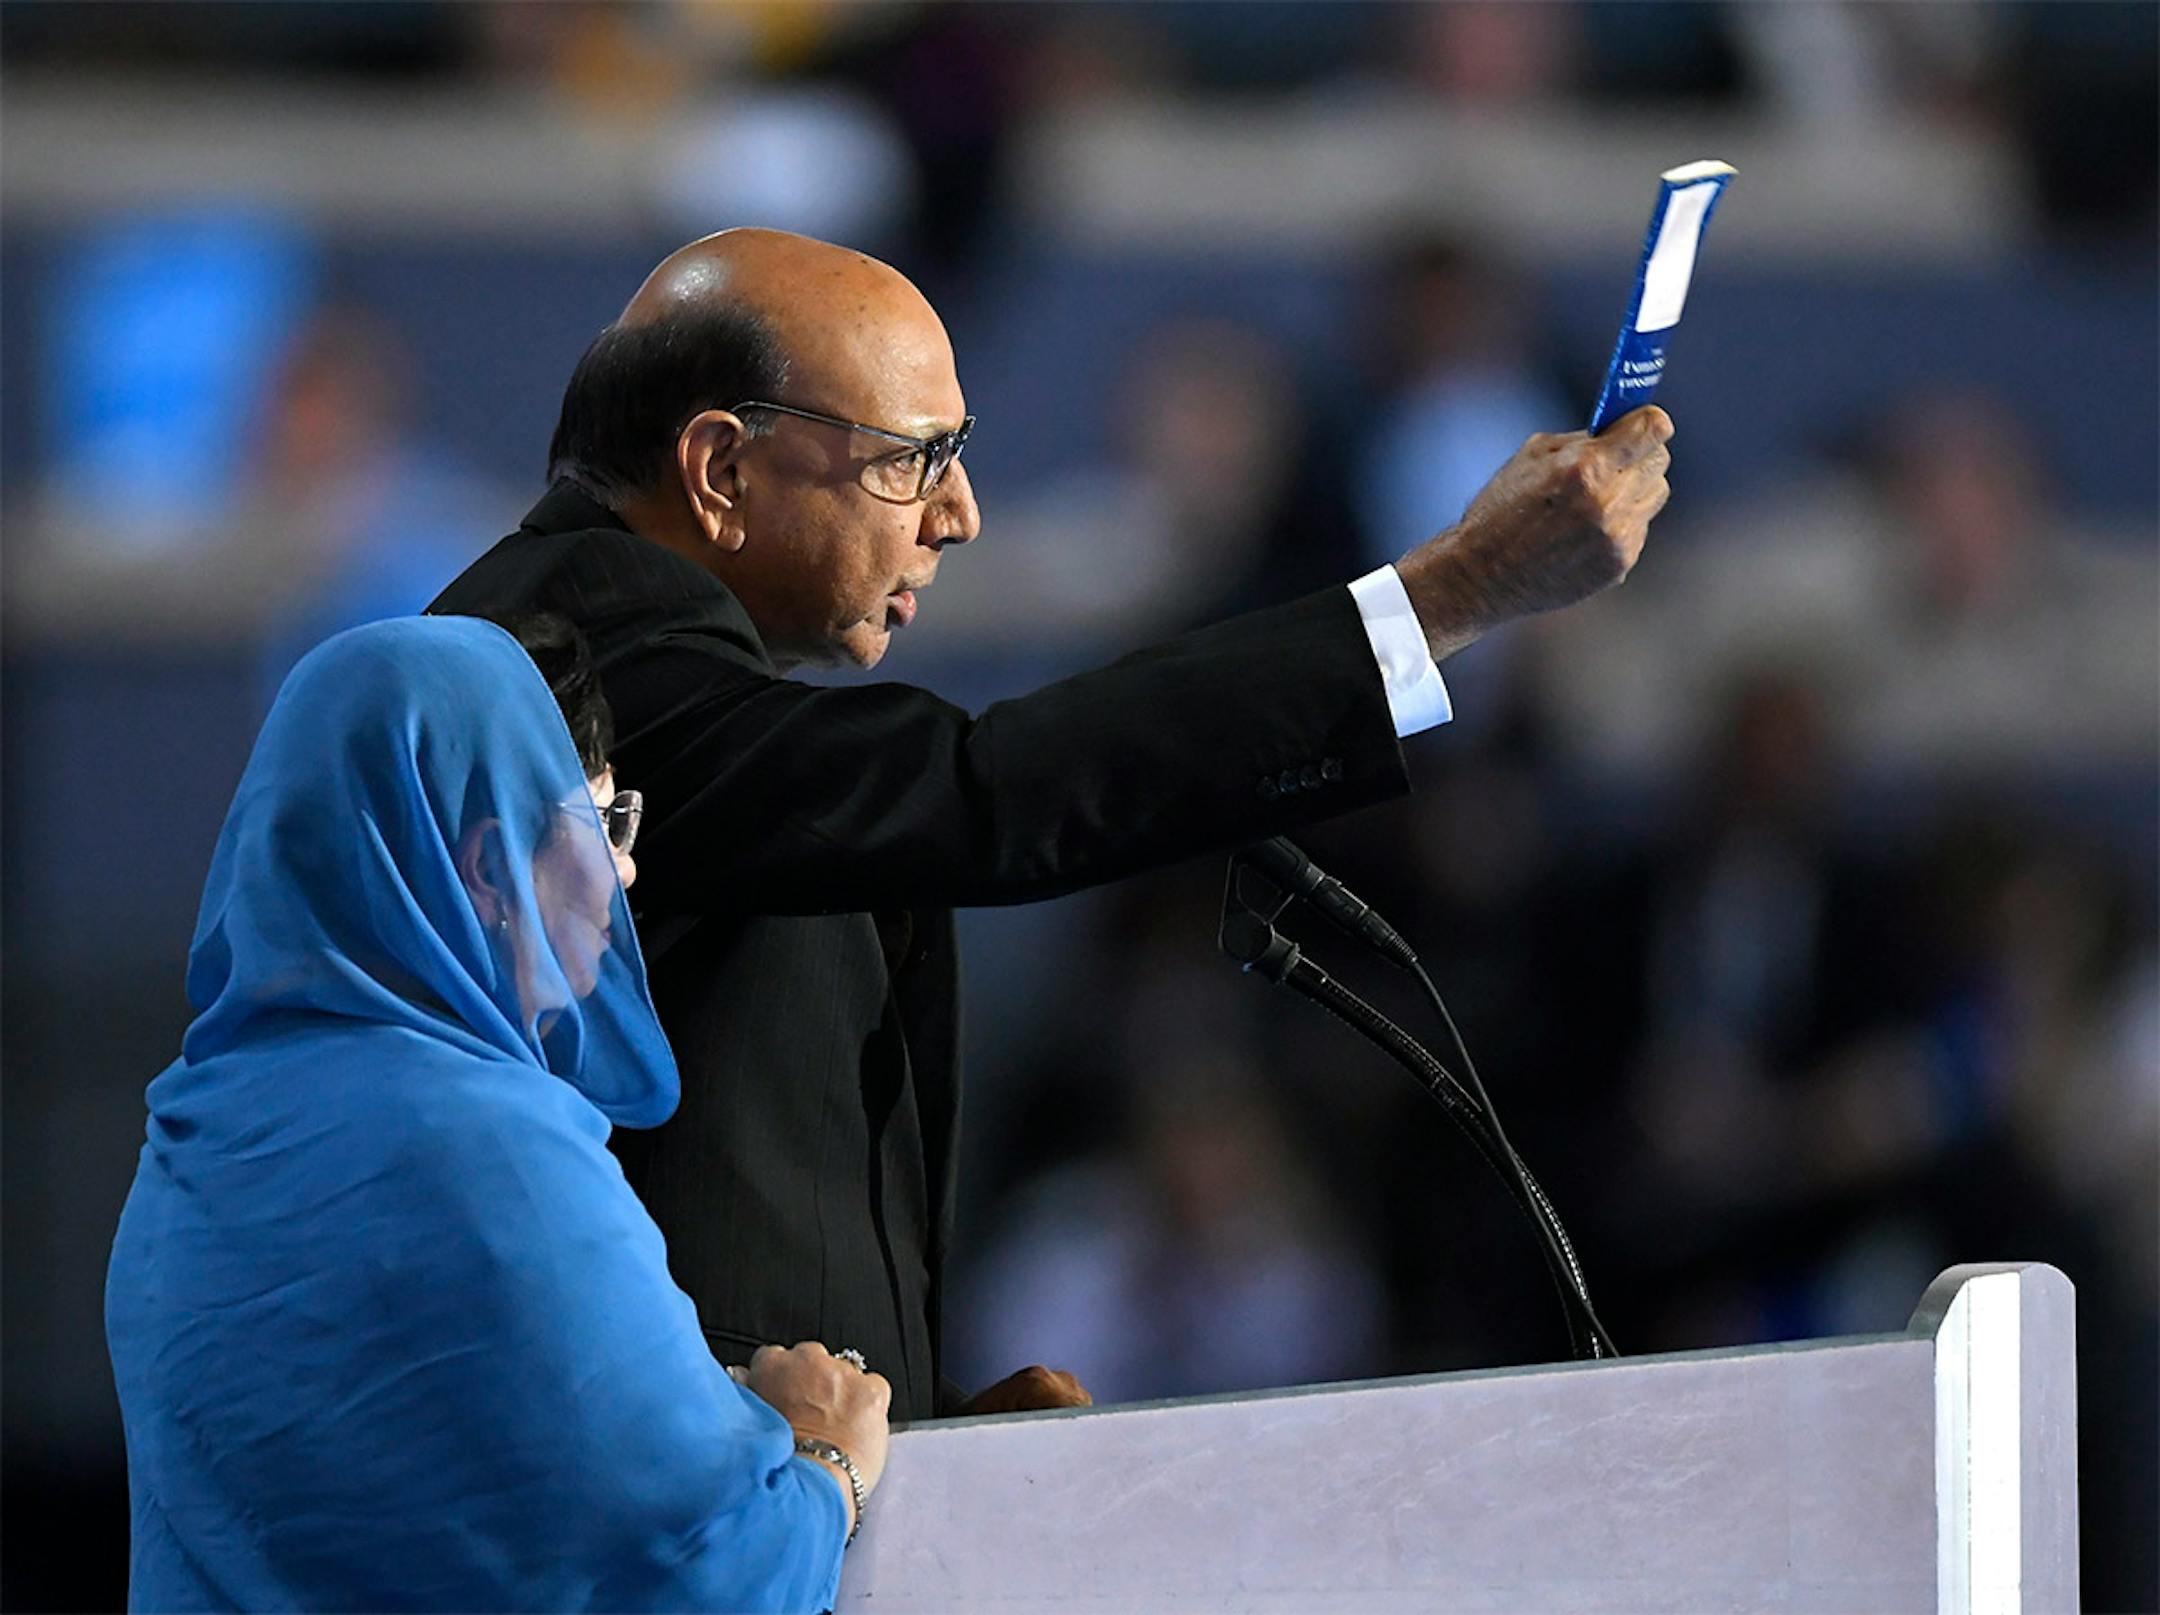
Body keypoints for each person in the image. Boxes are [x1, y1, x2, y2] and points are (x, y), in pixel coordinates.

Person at [430, 226, 1674, 1421]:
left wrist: (924, 1426)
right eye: (911, 457)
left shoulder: (637, 657)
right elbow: (993, 791)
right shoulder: (576, 658)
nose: (959, 512)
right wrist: (1452, 590)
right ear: (720, 470)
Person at [104, 615, 890, 1612]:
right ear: (487, 867)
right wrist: (826, 1462)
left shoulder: (183, 1149)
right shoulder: (495, 1146)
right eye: (602, 827)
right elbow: (710, 1574)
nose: (628, 873)